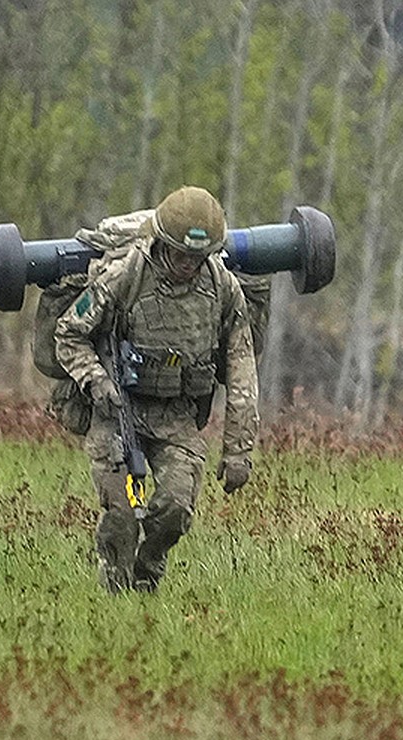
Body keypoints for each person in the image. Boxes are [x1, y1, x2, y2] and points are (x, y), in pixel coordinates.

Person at [54, 186, 258, 594]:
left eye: (196, 258)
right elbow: (69, 333)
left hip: (177, 417)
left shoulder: (223, 289)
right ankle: (116, 592)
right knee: (124, 512)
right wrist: (96, 381)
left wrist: (239, 450)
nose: (187, 265)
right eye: (180, 255)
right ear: (161, 245)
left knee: (175, 508)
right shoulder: (124, 276)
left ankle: (149, 569)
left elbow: (241, 369)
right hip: (118, 412)